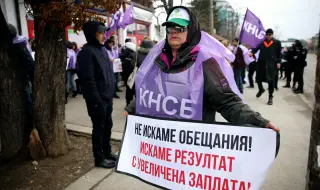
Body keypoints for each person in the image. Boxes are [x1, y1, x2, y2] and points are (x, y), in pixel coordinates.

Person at [124, 6, 279, 132]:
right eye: (170, 28)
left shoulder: (205, 61)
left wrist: (259, 122)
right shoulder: (159, 59)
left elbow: (227, 101)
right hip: (160, 146)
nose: (174, 32)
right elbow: (148, 93)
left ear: (191, 30)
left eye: (180, 27)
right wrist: (131, 108)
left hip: (192, 150)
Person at [78, 21, 117, 169]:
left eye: (104, 33)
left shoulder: (102, 50)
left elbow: (106, 74)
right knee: (99, 128)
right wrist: (97, 101)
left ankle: (107, 152)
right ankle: (99, 158)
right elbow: (88, 80)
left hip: (107, 98)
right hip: (97, 100)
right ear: (92, 35)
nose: (103, 36)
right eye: (100, 33)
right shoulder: (87, 53)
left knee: (108, 126)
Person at [251, 28, 282, 105]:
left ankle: (270, 97)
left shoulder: (277, 42)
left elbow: (279, 53)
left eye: (270, 34)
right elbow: (256, 48)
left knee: (270, 81)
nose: (268, 36)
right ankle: (261, 89)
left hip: (271, 64)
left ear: (272, 35)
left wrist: (278, 62)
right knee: (258, 78)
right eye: (267, 34)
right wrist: (252, 52)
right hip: (261, 63)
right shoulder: (262, 42)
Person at [120, 42, 137, 106]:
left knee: (128, 91)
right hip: (132, 76)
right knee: (133, 91)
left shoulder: (123, 55)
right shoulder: (134, 55)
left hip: (126, 76)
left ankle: (128, 104)